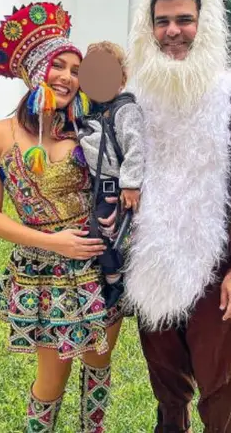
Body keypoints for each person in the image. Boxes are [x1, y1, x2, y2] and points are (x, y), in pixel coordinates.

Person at [123, 0, 231, 432]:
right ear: (149, 27)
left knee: (221, 377)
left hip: (216, 266)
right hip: (153, 260)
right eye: (163, 21)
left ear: (204, 23)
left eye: (185, 20)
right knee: (165, 375)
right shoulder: (136, 95)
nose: (173, 31)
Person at [0, 1, 123, 432]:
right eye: (58, 65)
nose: (68, 77)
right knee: (51, 379)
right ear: (35, 71)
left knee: (99, 365)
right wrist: (53, 241)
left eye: (76, 70)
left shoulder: (89, 129)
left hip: (100, 266)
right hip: (42, 273)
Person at [76, 41, 145, 308]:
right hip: (96, 185)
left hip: (114, 186)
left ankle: (117, 282)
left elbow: (136, 147)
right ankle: (115, 275)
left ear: (121, 79)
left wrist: (130, 185)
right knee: (99, 230)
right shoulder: (90, 110)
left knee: (102, 232)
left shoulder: (124, 109)